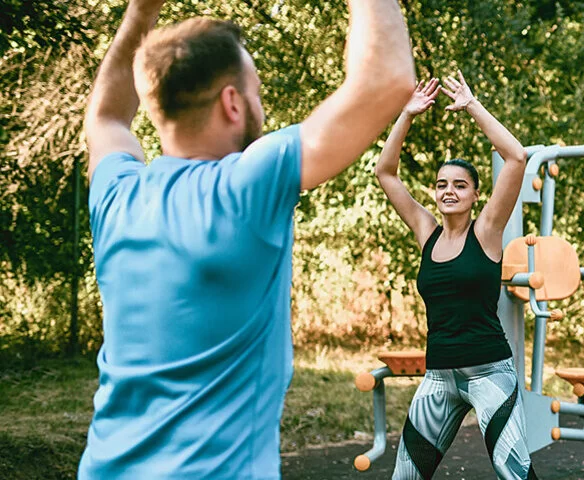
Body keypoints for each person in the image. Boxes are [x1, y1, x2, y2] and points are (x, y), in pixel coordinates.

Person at [80, 0, 414, 477]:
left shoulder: (117, 196)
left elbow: (107, 117)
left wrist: (140, 13)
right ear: (232, 103)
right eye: (256, 91)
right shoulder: (244, 188)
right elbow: (387, 79)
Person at [372, 72, 535, 480]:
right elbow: (385, 173)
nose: (449, 191)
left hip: (490, 372)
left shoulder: (487, 231)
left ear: (475, 195)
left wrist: (473, 106)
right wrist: (406, 115)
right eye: (442, 184)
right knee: (405, 476)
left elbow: (516, 156)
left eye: (460, 185)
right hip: (439, 376)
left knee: (513, 473)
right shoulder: (426, 232)